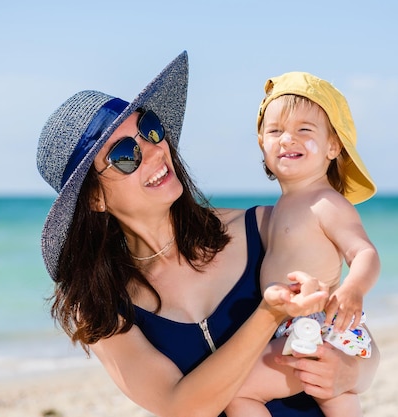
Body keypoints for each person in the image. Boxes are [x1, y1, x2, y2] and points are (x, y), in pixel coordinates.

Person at [36, 51, 380, 417]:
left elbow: (355, 338)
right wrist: (268, 314)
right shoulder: (102, 308)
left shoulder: (262, 227)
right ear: (94, 197)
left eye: (150, 129)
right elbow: (180, 407)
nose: (154, 151)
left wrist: (350, 373)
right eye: (124, 154)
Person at [225, 72, 380, 417]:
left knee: (237, 392)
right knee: (336, 397)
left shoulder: (326, 202)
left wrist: (353, 288)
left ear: (332, 146)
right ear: (261, 143)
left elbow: (364, 251)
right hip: (298, 326)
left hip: (315, 326)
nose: (287, 139)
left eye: (304, 130)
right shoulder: (282, 207)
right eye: (275, 130)